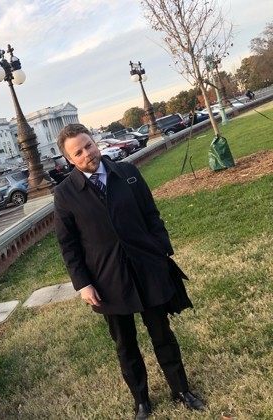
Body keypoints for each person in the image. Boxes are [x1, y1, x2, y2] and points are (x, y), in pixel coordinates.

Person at [53, 123, 205, 419]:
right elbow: (68, 245)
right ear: (69, 159)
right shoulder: (65, 194)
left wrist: (161, 249)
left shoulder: (127, 173)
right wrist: (83, 284)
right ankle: (142, 401)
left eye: (88, 145)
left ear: (95, 142)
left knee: (163, 335)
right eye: (78, 152)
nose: (87, 154)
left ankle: (181, 390)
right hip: (107, 278)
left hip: (147, 267)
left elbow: (151, 214)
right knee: (126, 345)